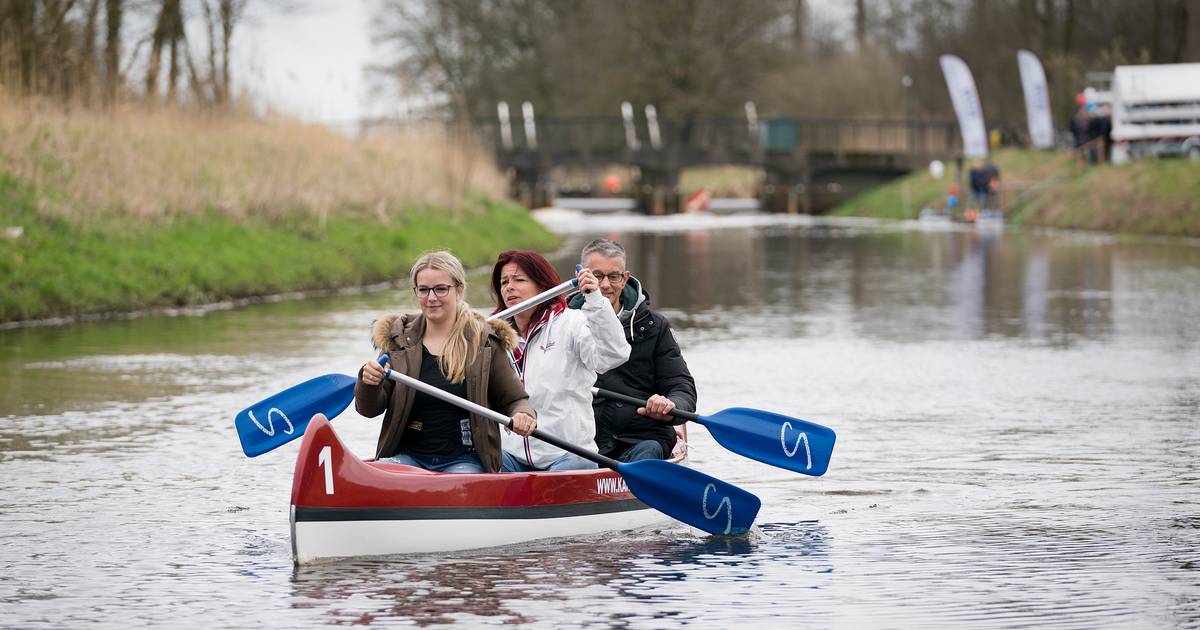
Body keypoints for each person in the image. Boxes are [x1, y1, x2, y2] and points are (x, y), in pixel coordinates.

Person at [356, 250, 537, 473]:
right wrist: (368, 382)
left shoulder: (485, 342)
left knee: (462, 481)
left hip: (465, 461)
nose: (431, 298)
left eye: (441, 289)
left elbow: (515, 400)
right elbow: (369, 409)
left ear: (458, 291)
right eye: (423, 290)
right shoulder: (399, 339)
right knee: (382, 474)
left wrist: (523, 415)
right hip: (407, 459)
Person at [490, 250, 630, 472]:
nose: (509, 287)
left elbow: (612, 356)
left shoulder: (572, 322)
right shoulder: (492, 334)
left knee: (575, 464)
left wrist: (595, 299)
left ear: (542, 286)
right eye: (504, 281)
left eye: (519, 280)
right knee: (482, 462)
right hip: (512, 457)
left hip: (568, 455)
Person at [570, 239, 697, 462]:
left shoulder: (655, 326)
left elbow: (681, 386)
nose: (606, 285)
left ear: (625, 278)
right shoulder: (564, 322)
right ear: (583, 277)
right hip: (581, 441)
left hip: (642, 437)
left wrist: (671, 405)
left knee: (648, 452)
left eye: (614, 276)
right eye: (597, 276)